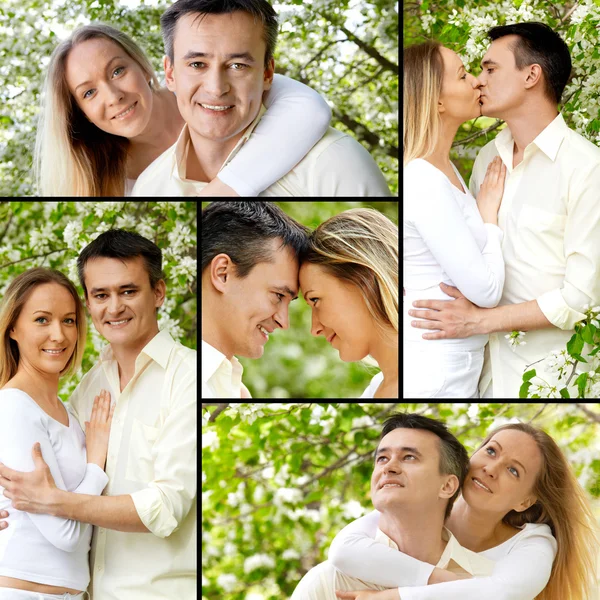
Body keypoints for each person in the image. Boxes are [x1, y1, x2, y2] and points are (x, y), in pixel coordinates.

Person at [0, 230, 197, 600]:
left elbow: (168, 506)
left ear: (159, 292)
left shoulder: (189, 376)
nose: (114, 307)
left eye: (128, 291)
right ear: (90, 303)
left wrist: (53, 501)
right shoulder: (87, 391)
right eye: (100, 295)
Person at [407, 23, 600, 398]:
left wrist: (479, 322)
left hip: (555, 381)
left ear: (531, 75)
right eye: (474, 72)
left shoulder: (588, 169)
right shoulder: (487, 159)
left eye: (490, 69)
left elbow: (581, 298)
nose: (479, 81)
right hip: (477, 375)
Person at [35, 18, 332, 196]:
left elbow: (310, 109)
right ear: (79, 113)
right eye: (89, 93)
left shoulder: (205, 87)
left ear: (144, 66)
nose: (113, 96)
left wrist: (224, 190)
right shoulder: (117, 186)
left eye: (117, 72)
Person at [132, 0, 392, 196]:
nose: (216, 88)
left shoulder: (334, 162)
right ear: (170, 73)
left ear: (268, 73)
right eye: (198, 64)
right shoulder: (148, 186)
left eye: (238, 66)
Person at [328, 419, 599, 600]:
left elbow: (502, 594)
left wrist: (396, 596)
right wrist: (440, 578)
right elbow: (343, 550)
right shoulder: (428, 501)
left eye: (513, 470)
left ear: (525, 502)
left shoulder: (532, 542)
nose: (490, 469)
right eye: (491, 451)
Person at [290, 413, 495, 600]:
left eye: (409, 457)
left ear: (447, 485)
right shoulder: (327, 583)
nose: (388, 467)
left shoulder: (489, 582)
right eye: (382, 458)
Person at [0, 267, 114, 600]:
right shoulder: (15, 407)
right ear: (12, 329)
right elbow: (67, 535)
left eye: (68, 321)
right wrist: (95, 464)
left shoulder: (66, 412)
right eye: (41, 320)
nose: (59, 336)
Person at [403, 40, 507, 398]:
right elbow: (487, 291)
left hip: (453, 362)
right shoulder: (422, 179)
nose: (478, 82)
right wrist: (489, 219)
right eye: (464, 76)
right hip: (437, 368)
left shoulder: (443, 170)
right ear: (437, 101)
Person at [299, 208, 398, 398]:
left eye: (315, 300)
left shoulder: (434, 375)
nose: (315, 328)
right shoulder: (373, 391)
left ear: (364, 279)